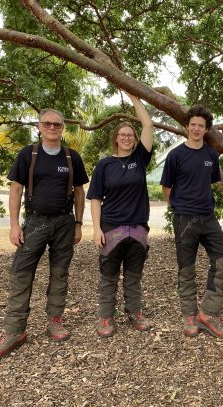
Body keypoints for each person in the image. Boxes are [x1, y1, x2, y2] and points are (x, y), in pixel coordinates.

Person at [0, 108, 89, 359]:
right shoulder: (28, 154)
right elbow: (16, 189)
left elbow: (79, 192)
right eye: (47, 124)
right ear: (39, 126)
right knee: (21, 273)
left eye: (57, 124)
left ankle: (54, 320)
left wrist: (78, 223)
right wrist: (14, 225)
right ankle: (14, 331)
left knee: (59, 273)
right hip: (34, 223)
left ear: (63, 127)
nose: (52, 128)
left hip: (64, 224)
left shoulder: (71, 157)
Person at [160, 105, 223, 339]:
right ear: (187, 126)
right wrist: (179, 209)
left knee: (222, 260)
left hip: (208, 218)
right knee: (186, 268)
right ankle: (189, 315)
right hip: (185, 219)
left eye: (201, 125)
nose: (196, 128)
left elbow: (211, 182)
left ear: (206, 128)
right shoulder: (176, 155)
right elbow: (166, 188)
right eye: (193, 124)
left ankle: (208, 313)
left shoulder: (211, 155)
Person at [87, 94, 154, 338]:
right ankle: (106, 317)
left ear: (135, 140)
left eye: (130, 135)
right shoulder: (104, 165)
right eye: (122, 135)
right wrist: (96, 230)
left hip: (137, 229)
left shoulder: (140, 159)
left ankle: (134, 312)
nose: (127, 138)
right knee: (109, 276)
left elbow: (148, 124)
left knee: (134, 276)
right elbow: (95, 199)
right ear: (115, 139)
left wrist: (134, 96)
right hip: (111, 229)